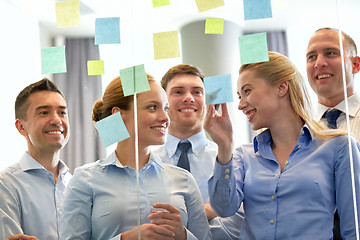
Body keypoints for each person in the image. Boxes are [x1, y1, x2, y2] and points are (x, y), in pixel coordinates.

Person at [205, 51, 360, 239]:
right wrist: (224, 146)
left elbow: (354, 230)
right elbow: (224, 207)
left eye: (247, 91)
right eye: (239, 96)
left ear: (281, 87)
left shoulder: (340, 147)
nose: (240, 105)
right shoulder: (242, 155)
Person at [59, 75, 211, 240]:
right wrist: (123, 239)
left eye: (166, 108)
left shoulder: (184, 179)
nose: (165, 118)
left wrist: (183, 236)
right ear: (119, 114)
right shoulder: (85, 179)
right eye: (153, 107)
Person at [154, 64, 243, 239]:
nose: (189, 98)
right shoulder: (149, 162)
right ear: (163, 103)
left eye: (197, 92)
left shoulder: (231, 158)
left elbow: (238, 223)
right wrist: (210, 212)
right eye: (178, 92)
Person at [0, 78, 72, 240]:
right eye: (44, 112)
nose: (56, 120)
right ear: (21, 127)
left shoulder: (76, 184)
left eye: (62, 112)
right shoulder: (5, 185)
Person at [306, 27, 360, 239]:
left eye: (330, 53)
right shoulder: (295, 128)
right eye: (312, 57)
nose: (319, 63)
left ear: (355, 64)